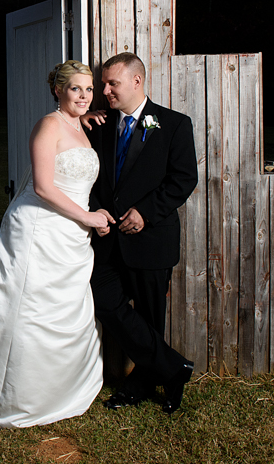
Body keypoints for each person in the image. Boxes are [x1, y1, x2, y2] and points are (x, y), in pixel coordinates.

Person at [0, 60, 115, 428]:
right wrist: (89, 217)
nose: (83, 96)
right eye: (75, 89)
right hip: (40, 229)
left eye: (88, 89)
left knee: (63, 306)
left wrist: (82, 117)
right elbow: (43, 187)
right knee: (26, 307)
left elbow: (73, 155)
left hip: (70, 236)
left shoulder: (77, 124)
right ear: (58, 90)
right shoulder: (47, 126)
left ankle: (57, 389)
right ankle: (5, 396)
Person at [85, 53, 199, 414]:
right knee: (102, 301)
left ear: (137, 81)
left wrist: (145, 213)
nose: (105, 91)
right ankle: (172, 368)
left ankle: (141, 381)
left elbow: (184, 178)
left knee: (151, 317)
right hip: (107, 242)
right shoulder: (100, 124)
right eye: (103, 84)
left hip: (151, 242)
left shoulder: (174, 124)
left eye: (111, 84)